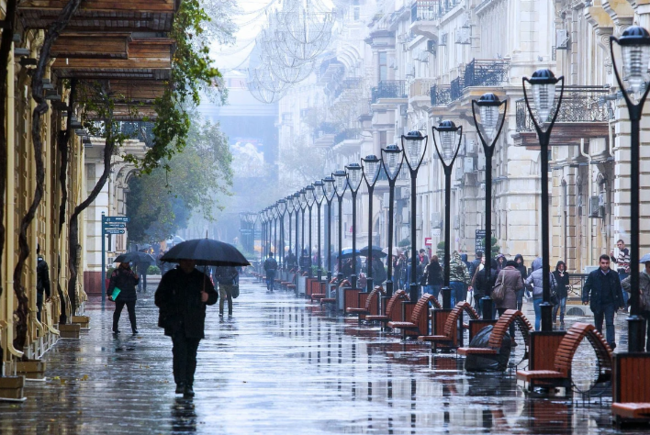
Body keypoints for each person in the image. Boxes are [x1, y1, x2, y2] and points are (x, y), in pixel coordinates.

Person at [155, 259, 218, 398]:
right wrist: (171, 305)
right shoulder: (171, 277)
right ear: (180, 262)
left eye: (191, 262)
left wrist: (207, 297)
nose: (188, 264)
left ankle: (189, 383)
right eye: (185, 261)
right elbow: (158, 298)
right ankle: (180, 382)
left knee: (191, 355)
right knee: (179, 352)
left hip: (195, 322)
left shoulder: (201, 278)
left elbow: (214, 297)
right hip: (176, 322)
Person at [582, 254, 625, 349]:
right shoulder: (594, 275)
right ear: (599, 263)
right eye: (603, 263)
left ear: (609, 263)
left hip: (610, 302)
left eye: (606, 263)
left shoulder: (614, 275)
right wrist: (585, 298)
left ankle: (610, 342)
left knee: (609, 322)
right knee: (598, 324)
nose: (605, 265)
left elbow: (618, 289)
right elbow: (587, 287)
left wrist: (621, 303)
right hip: (597, 302)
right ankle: (599, 342)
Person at [621, 259, 650, 351]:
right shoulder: (639, 276)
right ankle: (640, 350)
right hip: (642, 306)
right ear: (646, 266)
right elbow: (624, 283)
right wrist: (635, 289)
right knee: (641, 330)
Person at [493, 260, 524, 343]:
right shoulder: (517, 273)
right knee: (511, 320)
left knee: (501, 319)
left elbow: (497, 284)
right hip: (511, 299)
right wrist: (513, 289)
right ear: (514, 266)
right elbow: (520, 285)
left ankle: (501, 337)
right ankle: (512, 338)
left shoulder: (501, 272)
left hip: (501, 298)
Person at [108, 262, 139, 334]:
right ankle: (115, 327)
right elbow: (112, 282)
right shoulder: (116, 272)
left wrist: (137, 279)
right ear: (122, 263)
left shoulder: (131, 272)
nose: (127, 264)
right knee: (118, 311)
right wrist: (110, 293)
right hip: (120, 294)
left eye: (128, 263)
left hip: (131, 294)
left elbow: (134, 283)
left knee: (132, 312)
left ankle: (134, 328)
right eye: (125, 263)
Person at [525, 261, 557, 331]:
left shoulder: (534, 273)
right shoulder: (550, 273)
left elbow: (527, 282)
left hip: (537, 296)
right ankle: (546, 331)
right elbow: (555, 285)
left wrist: (532, 289)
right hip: (546, 297)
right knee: (546, 317)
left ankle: (537, 332)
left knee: (538, 316)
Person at [611, 239, 631, 307]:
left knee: (623, 289)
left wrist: (626, 268)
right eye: (618, 245)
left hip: (623, 272)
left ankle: (625, 305)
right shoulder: (621, 252)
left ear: (623, 244)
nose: (619, 246)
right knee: (621, 288)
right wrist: (612, 257)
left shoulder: (626, 251)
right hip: (620, 271)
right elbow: (617, 261)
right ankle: (624, 304)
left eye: (620, 244)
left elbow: (626, 262)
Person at [552, 261, 570, 329]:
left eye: (563, 266)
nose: (561, 267)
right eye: (560, 266)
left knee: (562, 306)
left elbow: (567, 282)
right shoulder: (554, 273)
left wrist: (563, 277)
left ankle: (561, 319)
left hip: (563, 292)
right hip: (556, 292)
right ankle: (553, 318)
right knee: (556, 306)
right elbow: (554, 282)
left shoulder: (566, 274)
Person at [36, 245, 51, 322]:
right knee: (38, 311)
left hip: (28, 292)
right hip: (39, 291)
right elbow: (46, 280)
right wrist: (48, 293)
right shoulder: (43, 263)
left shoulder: (27, 261)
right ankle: (38, 332)